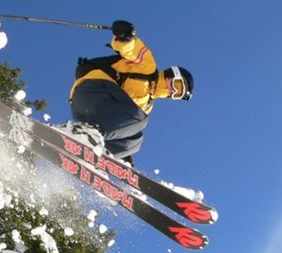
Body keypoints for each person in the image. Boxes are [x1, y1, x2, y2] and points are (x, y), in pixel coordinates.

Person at [68, 20, 193, 165]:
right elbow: (132, 49)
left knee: (136, 141)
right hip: (92, 90)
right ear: (171, 74)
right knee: (139, 118)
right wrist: (125, 38)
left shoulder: (147, 105)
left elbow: (123, 126)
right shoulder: (148, 67)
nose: (173, 91)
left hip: (88, 113)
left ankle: (101, 157)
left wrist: (125, 153)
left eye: (177, 94)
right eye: (177, 85)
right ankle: (85, 131)